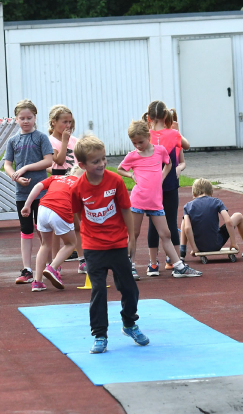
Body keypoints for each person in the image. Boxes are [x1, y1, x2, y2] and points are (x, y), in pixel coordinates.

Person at [70, 135, 148, 354]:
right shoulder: (77, 188)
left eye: (103, 159)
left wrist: (131, 238)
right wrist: (81, 249)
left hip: (117, 244)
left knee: (129, 288)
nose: (102, 164)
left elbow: (125, 209)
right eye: (96, 161)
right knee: (98, 290)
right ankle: (100, 335)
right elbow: (78, 218)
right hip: (94, 247)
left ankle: (129, 323)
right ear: (82, 164)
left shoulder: (115, 181)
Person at [117, 121, 196, 279]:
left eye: (141, 141)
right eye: (134, 143)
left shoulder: (159, 151)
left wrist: (162, 177)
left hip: (155, 201)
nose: (138, 145)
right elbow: (120, 169)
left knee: (165, 233)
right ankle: (129, 266)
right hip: (138, 200)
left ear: (148, 136)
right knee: (133, 233)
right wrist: (132, 175)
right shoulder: (132, 156)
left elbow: (169, 163)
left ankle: (179, 266)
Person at [4, 99, 54, 285]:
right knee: (26, 229)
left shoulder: (41, 137)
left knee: (44, 229)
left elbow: (48, 161)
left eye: (29, 118)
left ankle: (50, 265)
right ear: (16, 119)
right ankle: (27, 269)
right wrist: (15, 176)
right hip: (22, 193)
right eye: (22, 118)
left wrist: (25, 168)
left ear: (35, 118)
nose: (25, 121)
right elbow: (7, 164)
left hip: (41, 193)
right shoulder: (13, 141)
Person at [144, 101, 189, 275]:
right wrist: (176, 130)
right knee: (171, 221)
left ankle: (153, 264)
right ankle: (175, 261)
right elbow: (187, 145)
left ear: (149, 118)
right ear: (166, 116)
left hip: (151, 185)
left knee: (152, 224)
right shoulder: (174, 134)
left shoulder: (145, 135)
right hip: (169, 183)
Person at [20, 166, 83, 292]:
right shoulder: (81, 184)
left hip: (43, 209)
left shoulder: (56, 177)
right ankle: (52, 267)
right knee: (71, 243)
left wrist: (27, 205)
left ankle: (37, 282)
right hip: (60, 211)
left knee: (45, 245)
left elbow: (38, 186)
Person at [47, 105, 86, 271]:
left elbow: (79, 162)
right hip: (59, 182)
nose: (68, 126)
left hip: (74, 181)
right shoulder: (50, 141)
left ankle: (82, 258)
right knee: (58, 224)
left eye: (70, 122)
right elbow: (60, 161)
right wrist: (64, 141)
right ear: (54, 123)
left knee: (77, 222)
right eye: (64, 122)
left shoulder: (75, 140)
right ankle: (57, 262)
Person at [180, 178, 243, 261]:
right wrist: (233, 243)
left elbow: (187, 228)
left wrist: (194, 248)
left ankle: (182, 251)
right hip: (217, 243)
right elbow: (228, 222)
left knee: (185, 221)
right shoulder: (216, 202)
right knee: (238, 216)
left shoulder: (188, 206)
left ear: (194, 194)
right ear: (211, 193)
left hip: (199, 245)